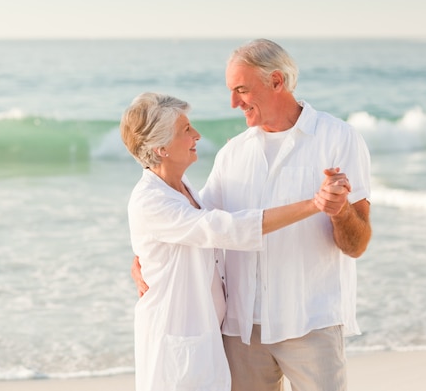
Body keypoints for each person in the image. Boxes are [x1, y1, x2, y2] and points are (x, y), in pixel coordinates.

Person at [132, 39, 372, 391]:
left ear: (276, 81)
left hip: (310, 322)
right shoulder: (234, 153)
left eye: (241, 90)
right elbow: (203, 225)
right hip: (242, 330)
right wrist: (143, 254)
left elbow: (357, 244)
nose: (233, 103)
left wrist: (338, 213)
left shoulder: (338, 139)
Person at [120, 92, 332, 391]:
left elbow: (192, 229)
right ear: (161, 148)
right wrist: (313, 205)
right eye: (186, 130)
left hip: (205, 339)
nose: (197, 134)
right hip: (176, 343)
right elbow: (224, 228)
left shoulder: (182, 189)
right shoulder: (151, 201)